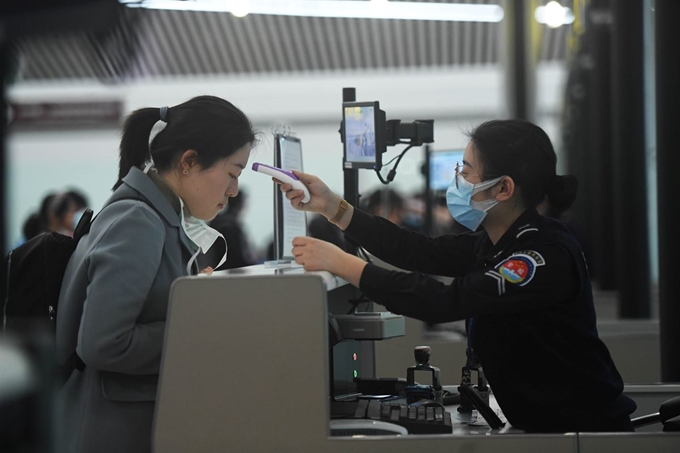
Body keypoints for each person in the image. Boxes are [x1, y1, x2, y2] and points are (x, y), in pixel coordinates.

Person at [280, 119, 636, 433]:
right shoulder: (496, 242)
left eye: (466, 172)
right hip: (547, 426)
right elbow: (419, 251)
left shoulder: (539, 256)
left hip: (581, 433)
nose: (458, 181)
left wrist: (344, 264)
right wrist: (333, 208)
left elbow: (444, 301)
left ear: (503, 188)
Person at [55, 95, 257, 453]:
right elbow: (104, 343)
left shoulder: (150, 216)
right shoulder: (138, 222)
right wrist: (198, 326)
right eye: (232, 173)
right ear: (189, 162)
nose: (233, 190)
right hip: (113, 432)